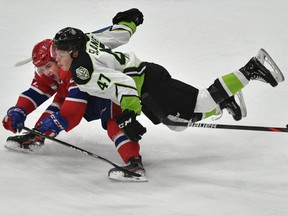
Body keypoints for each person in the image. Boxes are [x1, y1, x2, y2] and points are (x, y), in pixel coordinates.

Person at [36, 8, 284, 180]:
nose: (56, 58)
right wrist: (129, 21)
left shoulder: (83, 72)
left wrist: (129, 116)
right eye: (56, 52)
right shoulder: (87, 39)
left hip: (147, 87)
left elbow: (123, 86)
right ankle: (224, 102)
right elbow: (119, 34)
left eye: (60, 54)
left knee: (201, 102)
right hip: (147, 80)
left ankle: (251, 70)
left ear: (75, 52)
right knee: (176, 124)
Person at [2, 38, 149, 181]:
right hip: (90, 97)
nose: (46, 72)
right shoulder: (52, 73)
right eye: (41, 68)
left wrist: (57, 121)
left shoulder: (74, 69)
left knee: (114, 123)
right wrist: (18, 110)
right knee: (59, 100)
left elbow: (74, 109)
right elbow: (36, 92)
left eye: (48, 66)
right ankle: (36, 136)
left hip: (108, 93)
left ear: (57, 59)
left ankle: (134, 163)